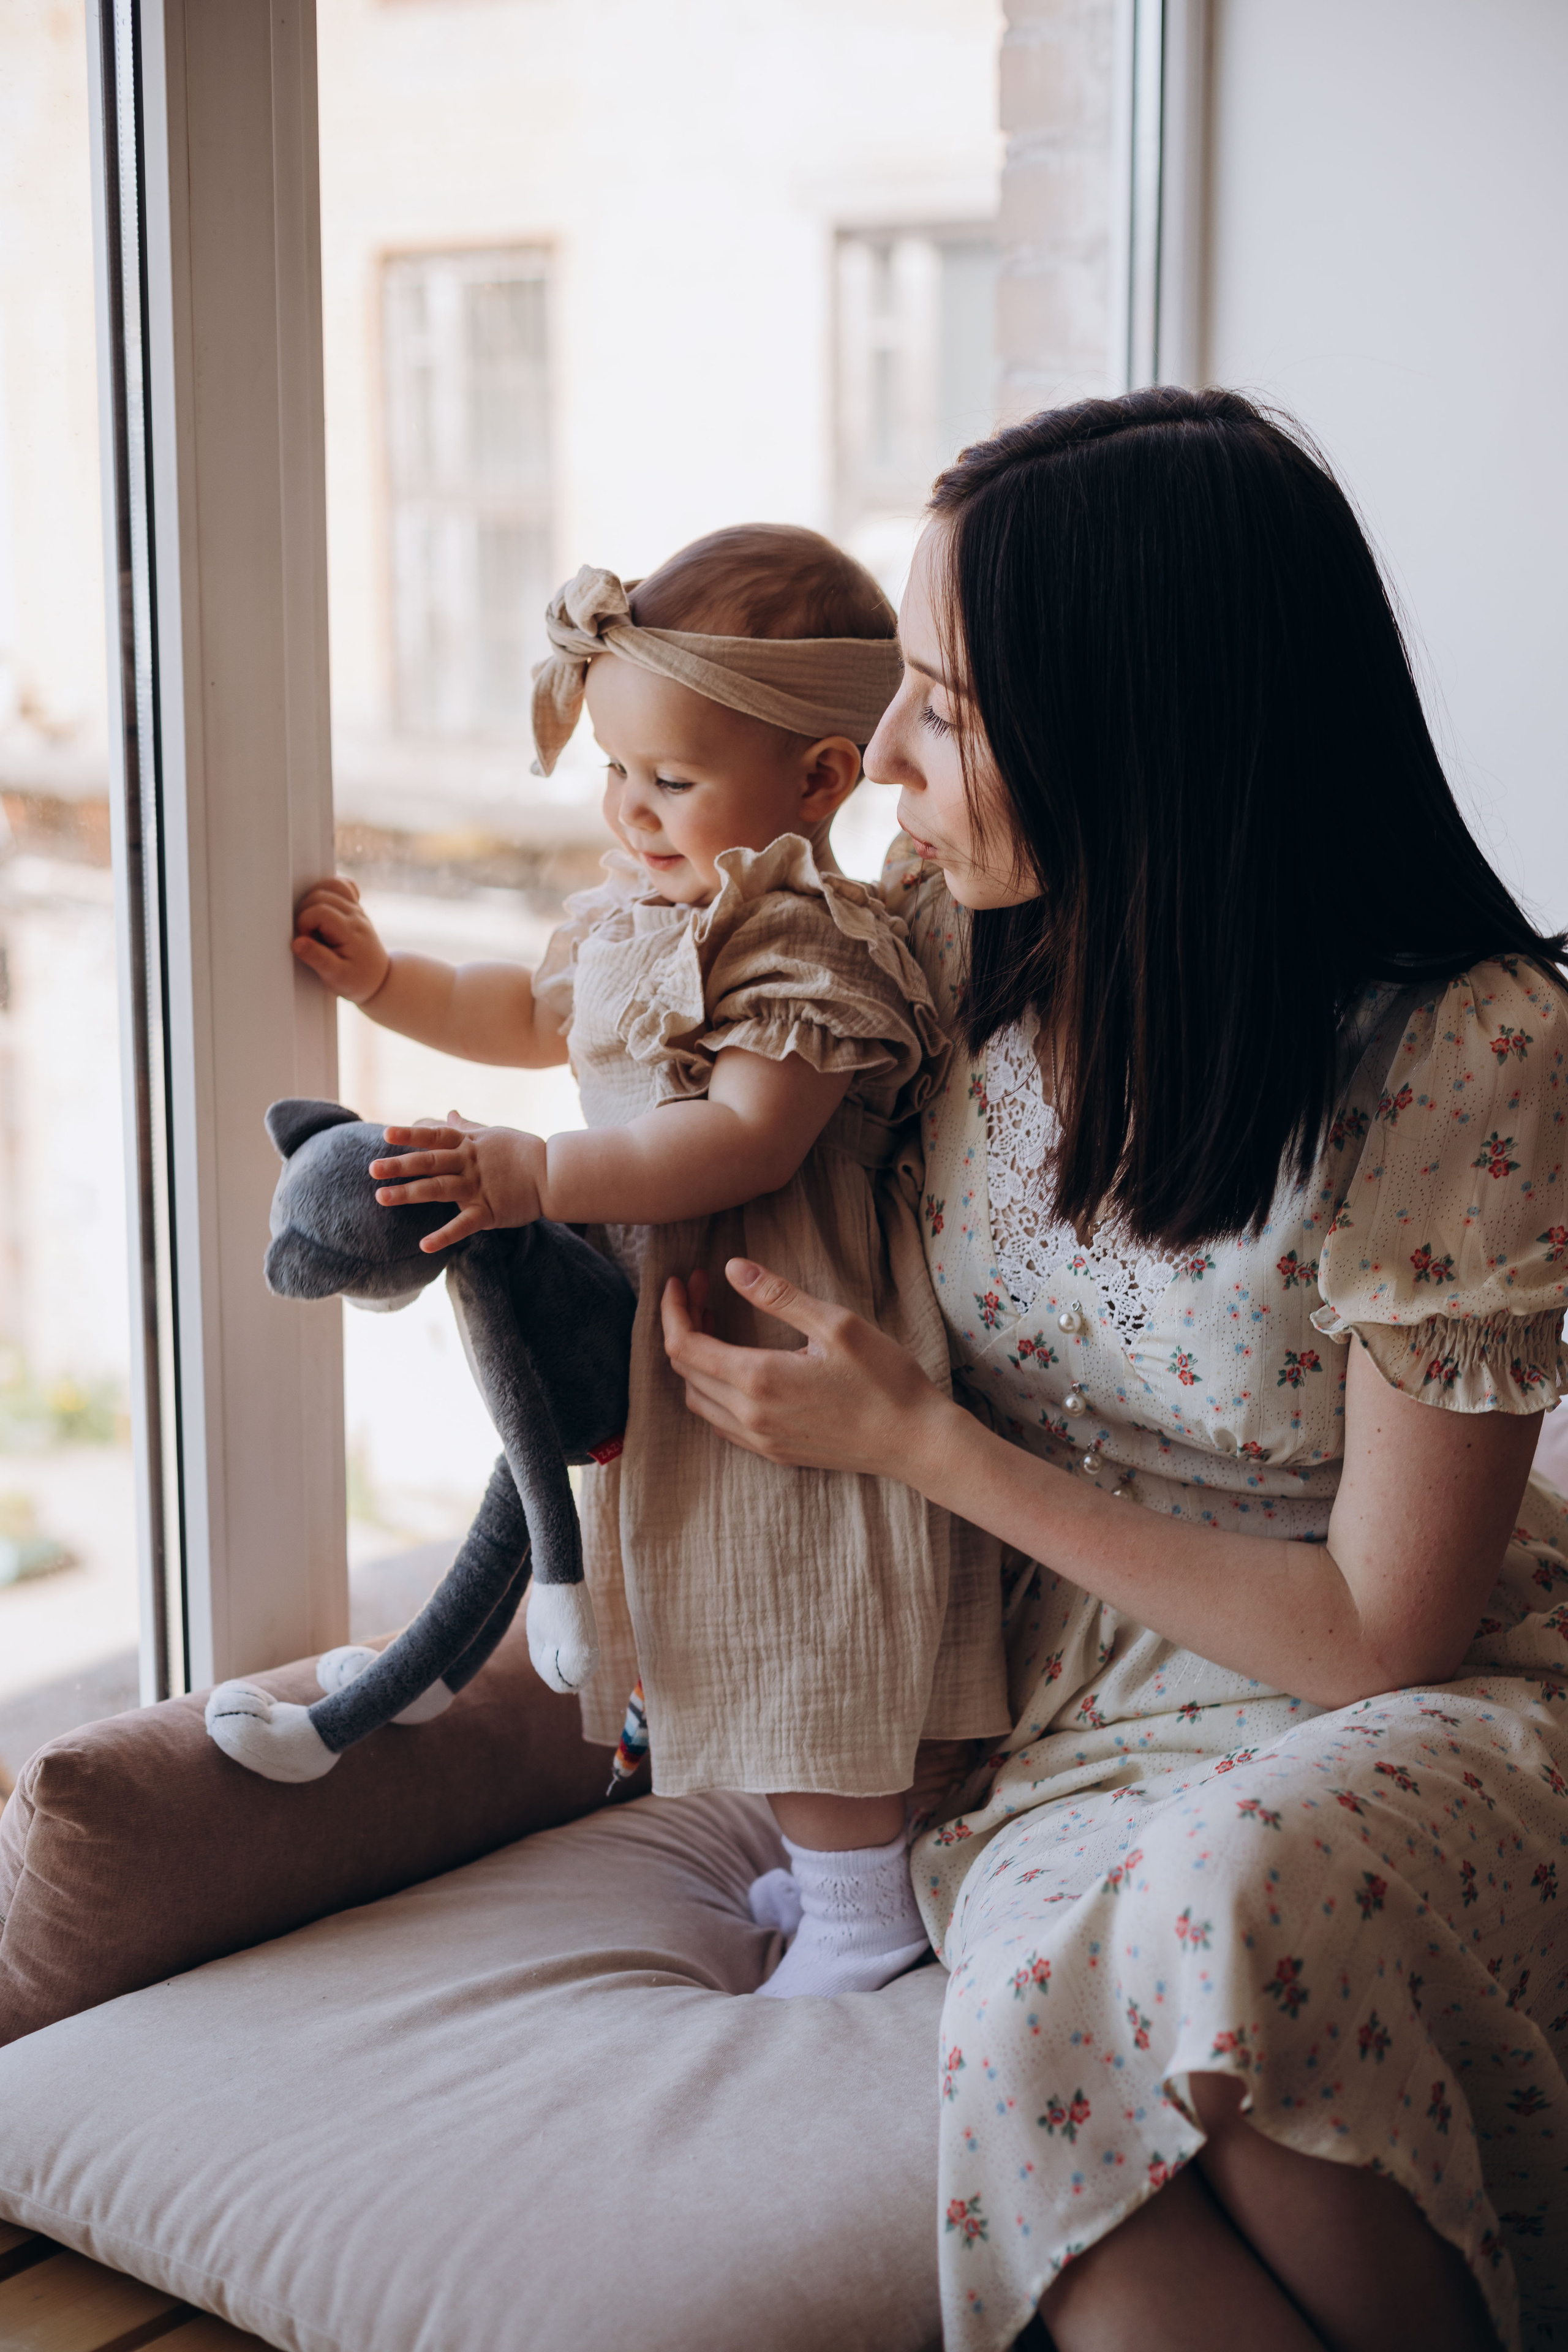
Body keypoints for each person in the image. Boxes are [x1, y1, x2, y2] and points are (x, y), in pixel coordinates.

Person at [661, 391, 1568, 2350]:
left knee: (1218, 1913)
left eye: (950, 711)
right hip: (1070, 1738)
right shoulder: (958, 942)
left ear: (1142, 734)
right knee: (1067, 2134)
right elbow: (675, 987)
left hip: (1404, 1696)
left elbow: (1376, 1632)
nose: (887, 761)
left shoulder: (1463, 1046)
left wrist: (922, 1448)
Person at [291, 525, 1009, 2000]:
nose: (630, 810)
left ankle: (862, 1914)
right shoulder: (634, 914)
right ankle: (838, 1880)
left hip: (783, 1338)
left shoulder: (804, 945)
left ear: (818, 779)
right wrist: (384, 980)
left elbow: (745, 1139)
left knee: (803, 1621)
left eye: (671, 782)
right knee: (711, 1613)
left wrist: (537, 1171)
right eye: (618, 773)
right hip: (669, 1323)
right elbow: (519, 1007)